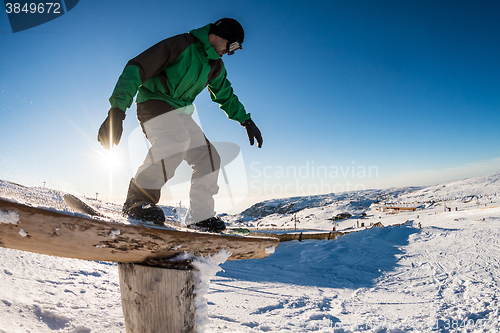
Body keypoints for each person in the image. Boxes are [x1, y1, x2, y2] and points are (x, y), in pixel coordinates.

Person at [97, 18, 262, 232]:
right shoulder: (182, 45)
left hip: (180, 114)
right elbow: (137, 68)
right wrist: (117, 111)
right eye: (233, 46)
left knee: (209, 157)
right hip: (154, 103)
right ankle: (137, 200)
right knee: (177, 140)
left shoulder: (215, 65)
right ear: (220, 35)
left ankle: (200, 216)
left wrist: (246, 121)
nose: (231, 52)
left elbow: (225, 95)